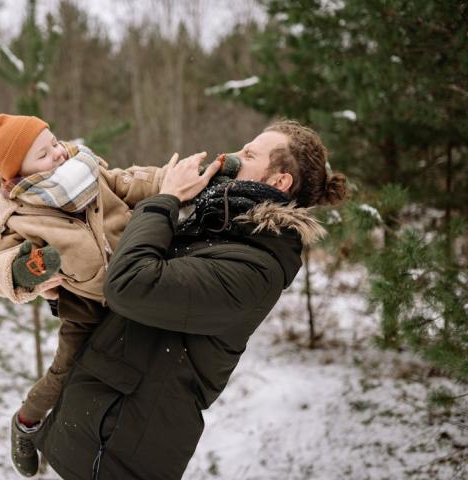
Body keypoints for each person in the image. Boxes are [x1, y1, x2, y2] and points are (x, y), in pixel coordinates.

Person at [33, 120, 349, 479]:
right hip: (87, 430)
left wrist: (163, 199)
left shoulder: (256, 268)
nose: (229, 157)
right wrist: (64, 298)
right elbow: (133, 315)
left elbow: (130, 286)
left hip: (118, 453)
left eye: (248, 155)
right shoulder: (214, 227)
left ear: (278, 182)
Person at [0, 113, 240, 477]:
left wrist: (191, 177)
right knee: (65, 372)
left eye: (53, 142)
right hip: (86, 303)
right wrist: (24, 272)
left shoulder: (87, 170)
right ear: (18, 171)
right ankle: (27, 423)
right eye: (42, 154)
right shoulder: (20, 214)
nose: (57, 154)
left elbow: (133, 183)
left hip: (140, 274)